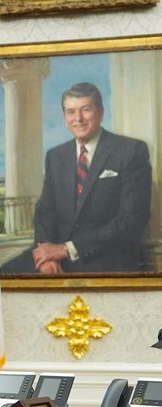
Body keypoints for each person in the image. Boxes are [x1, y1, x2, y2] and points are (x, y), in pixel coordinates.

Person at [29, 82, 152, 273]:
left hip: (109, 255)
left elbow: (131, 221)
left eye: (86, 110)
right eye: (70, 112)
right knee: (1, 278)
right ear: (64, 117)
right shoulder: (55, 156)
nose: (78, 118)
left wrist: (67, 249)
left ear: (101, 112)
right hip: (57, 254)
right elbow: (45, 212)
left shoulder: (131, 151)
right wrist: (46, 254)